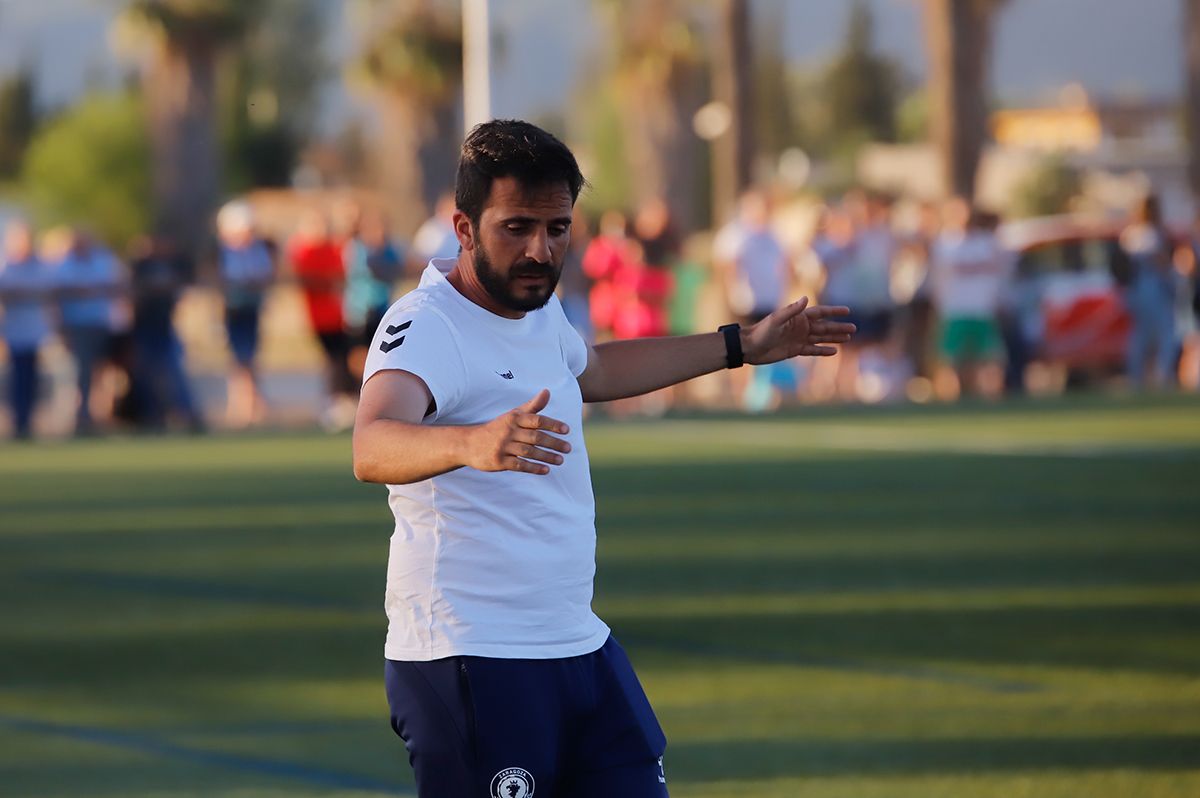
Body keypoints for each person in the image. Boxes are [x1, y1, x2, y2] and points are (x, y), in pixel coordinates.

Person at [352, 119, 855, 797]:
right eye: (517, 228)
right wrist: (469, 443)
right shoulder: (427, 324)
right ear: (464, 228)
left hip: (577, 644)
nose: (540, 249)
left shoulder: (535, 309)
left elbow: (591, 369)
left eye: (557, 228)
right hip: (472, 654)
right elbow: (372, 442)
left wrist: (741, 345)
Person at [713, 189, 794, 410]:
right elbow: (726, 264)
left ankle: (765, 393)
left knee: (768, 346)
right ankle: (742, 395)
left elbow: (785, 263)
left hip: (769, 299)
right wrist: (732, 290)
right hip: (745, 300)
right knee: (742, 346)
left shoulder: (773, 234)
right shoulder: (737, 234)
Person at [928, 200, 1011, 399]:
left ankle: (992, 398)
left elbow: (999, 272)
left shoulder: (986, 242)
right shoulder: (943, 243)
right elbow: (938, 278)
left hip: (982, 309)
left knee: (990, 358)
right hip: (954, 309)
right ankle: (950, 399)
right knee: (949, 359)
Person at [128, 234, 204, 432]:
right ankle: (151, 415)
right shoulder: (140, 266)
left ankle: (185, 414)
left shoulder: (175, 263)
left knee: (174, 370)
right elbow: (133, 292)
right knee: (146, 372)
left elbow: (185, 283)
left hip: (165, 327)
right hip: (143, 327)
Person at [54, 229, 125, 435]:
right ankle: (83, 416)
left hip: (100, 323)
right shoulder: (64, 265)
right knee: (83, 371)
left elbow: (117, 285)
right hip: (77, 324)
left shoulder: (103, 261)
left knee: (102, 371)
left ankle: (101, 414)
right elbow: (57, 293)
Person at [289, 209, 355, 430]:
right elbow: (309, 278)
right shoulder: (305, 251)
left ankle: (344, 401)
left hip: (339, 316)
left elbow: (343, 271)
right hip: (321, 317)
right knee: (335, 360)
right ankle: (335, 402)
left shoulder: (332, 248)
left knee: (343, 360)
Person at [217, 201, 274, 428]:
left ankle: (251, 405)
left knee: (249, 357)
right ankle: (241, 405)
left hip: (251, 308)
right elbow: (221, 280)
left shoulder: (257, 250)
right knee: (238, 358)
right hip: (233, 310)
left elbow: (264, 276)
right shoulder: (224, 253)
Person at [0, 219, 54, 439]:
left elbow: (46, 292)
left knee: (31, 378)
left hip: (35, 332)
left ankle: (28, 421)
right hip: (14, 330)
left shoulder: (39, 266)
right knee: (17, 377)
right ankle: (18, 421)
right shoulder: (7, 266)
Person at [1120, 194, 1177, 388]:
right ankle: (1162, 375)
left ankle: (1137, 377)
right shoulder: (1149, 233)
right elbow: (1159, 261)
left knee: (1141, 335)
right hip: (1152, 286)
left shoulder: (1130, 233)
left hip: (1135, 289)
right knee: (1165, 332)